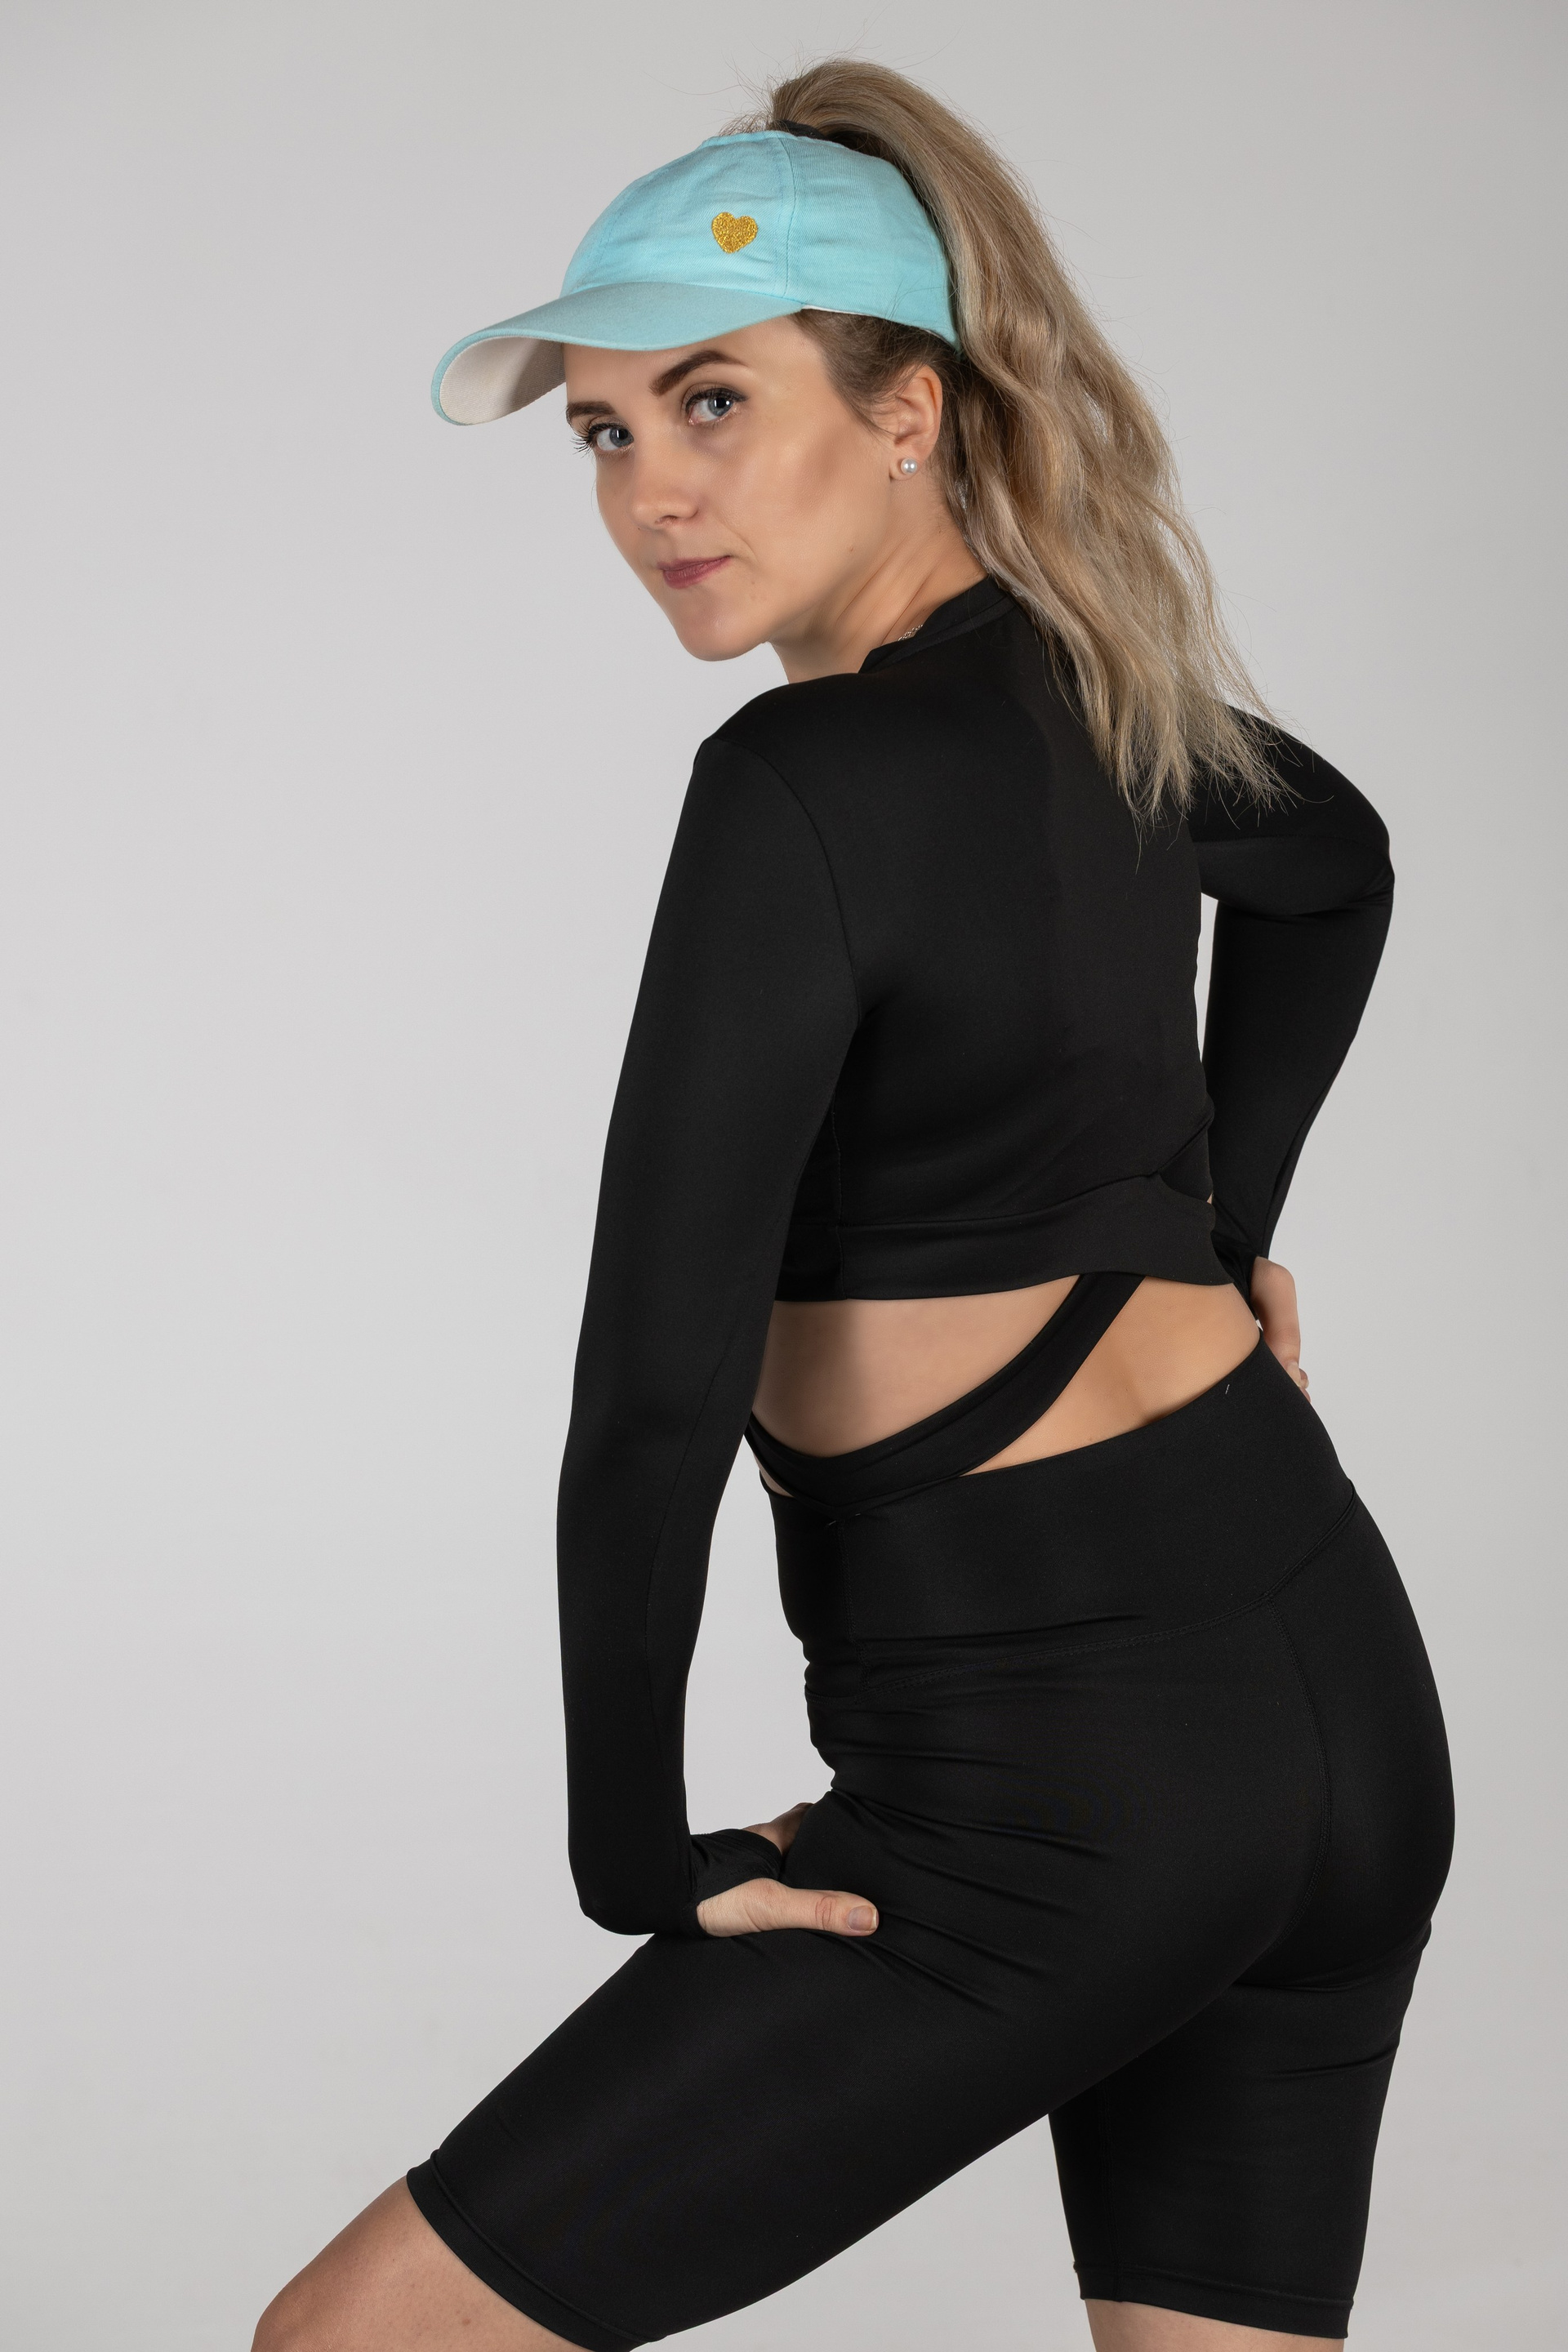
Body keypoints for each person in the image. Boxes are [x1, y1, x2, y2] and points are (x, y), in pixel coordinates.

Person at [254, 59, 1453, 2352]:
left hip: (1054, 1790)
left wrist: (636, 1848)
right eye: (604, 432)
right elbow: (1341, 870)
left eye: (714, 401)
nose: (652, 490)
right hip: (1339, 1707)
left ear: (911, 407)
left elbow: (655, 1384)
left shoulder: (798, 779)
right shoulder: (1113, 703)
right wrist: (1222, 1229)